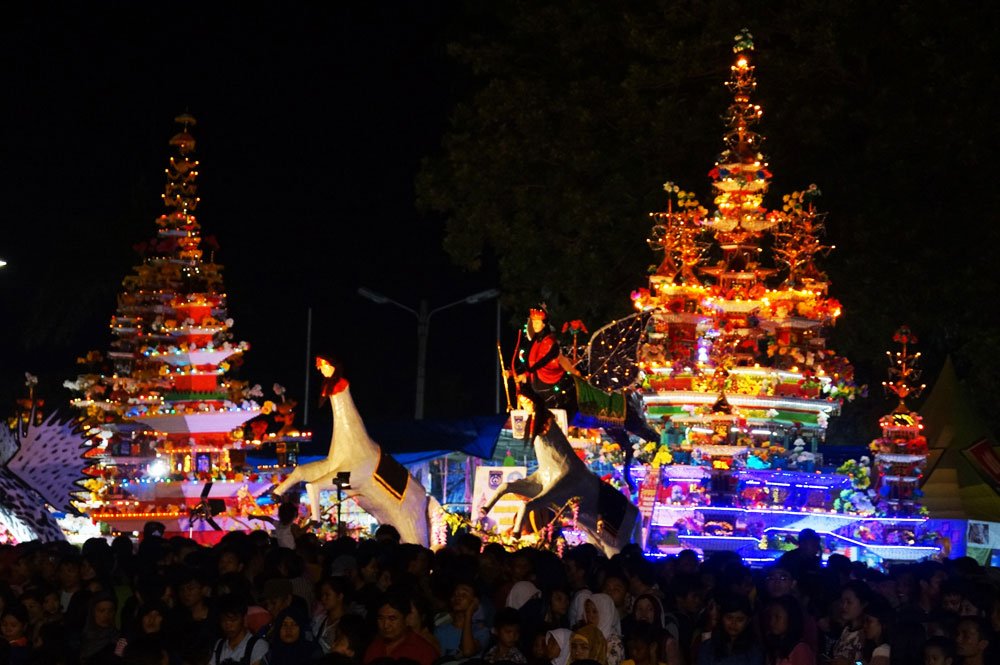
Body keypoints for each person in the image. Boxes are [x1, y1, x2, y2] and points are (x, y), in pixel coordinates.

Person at [510, 304, 582, 411]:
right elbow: (533, 366)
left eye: (537, 322)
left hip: (550, 387)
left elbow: (550, 362)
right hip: (537, 388)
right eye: (533, 322)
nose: (534, 325)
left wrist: (573, 371)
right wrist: (520, 375)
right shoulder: (535, 341)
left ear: (544, 324)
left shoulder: (548, 342)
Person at [363, 591, 438, 665]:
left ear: (406, 619)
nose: (385, 625)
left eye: (392, 619)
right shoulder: (374, 646)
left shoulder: (423, 651)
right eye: (381, 619)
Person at [696, 594, 762, 665]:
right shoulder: (708, 647)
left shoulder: (754, 650)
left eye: (740, 619)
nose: (733, 623)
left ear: (748, 621)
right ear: (722, 618)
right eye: (729, 618)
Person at [434, 579, 490, 659]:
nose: (458, 598)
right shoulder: (441, 630)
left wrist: (469, 613)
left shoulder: (481, 631)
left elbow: (468, 651)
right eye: (455, 594)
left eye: (464, 595)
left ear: (475, 601)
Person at [210, 594, 269, 665]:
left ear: (244, 619)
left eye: (233, 620)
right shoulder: (219, 645)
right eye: (223, 621)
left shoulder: (258, 645)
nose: (228, 626)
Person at [761, 595, 812, 665]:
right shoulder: (773, 645)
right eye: (770, 617)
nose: (771, 622)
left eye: (777, 617)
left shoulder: (801, 650)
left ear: (791, 618)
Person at [829, 581, 871, 665]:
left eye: (849, 602)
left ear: (863, 604)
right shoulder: (846, 629)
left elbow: (865, 663)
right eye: (842, 601)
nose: (844, 606)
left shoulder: (868, 634)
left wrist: (853, 663)